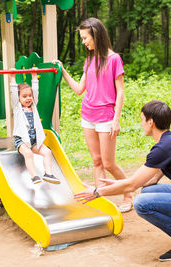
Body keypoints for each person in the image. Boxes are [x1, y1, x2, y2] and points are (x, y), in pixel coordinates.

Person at [74, 100, 171, 261]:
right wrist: (119, 184)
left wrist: (97, 192)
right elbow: (145, 181)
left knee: (141, 203)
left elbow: (132, 185)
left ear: (151, 122)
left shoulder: (163, 148)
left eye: (142, 119)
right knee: (147, 191)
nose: (141, 124)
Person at [54, 17, 133, 212]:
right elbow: (80, 89)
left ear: (96, 35)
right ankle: (98, 199)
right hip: (87, 116)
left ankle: (128, 194)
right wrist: (63, 71)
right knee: (97, 162)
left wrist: (116, 119)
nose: (83, 42)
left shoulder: (114, 59)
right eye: (81, 38)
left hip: (106, 118)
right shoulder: (89, 60)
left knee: (109, 163)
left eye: (85, 38)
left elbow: (120, 91)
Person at [10, 69, 60, 185]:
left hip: (34, 140)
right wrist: (12, 77)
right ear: (19, 98)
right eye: (24, 96)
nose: (28, 98)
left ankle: (48, 173)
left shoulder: (34, 106)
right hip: (21, 140)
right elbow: (13, 92)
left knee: (47, 152)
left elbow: (35, 91)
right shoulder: (17, 107)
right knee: (28, 154)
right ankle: (34, 176)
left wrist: (34, 76)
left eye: (29, 96)